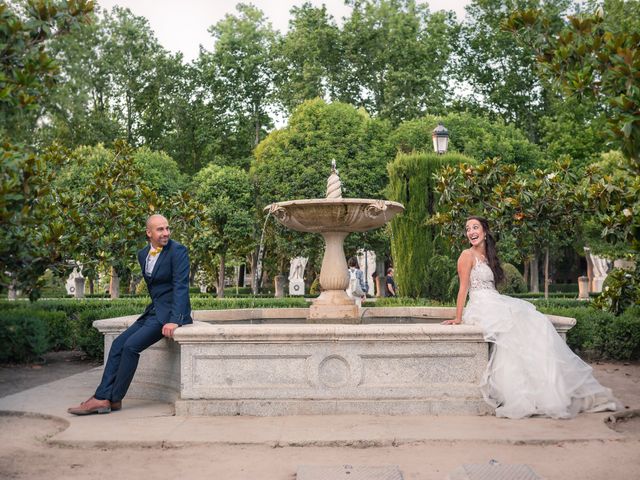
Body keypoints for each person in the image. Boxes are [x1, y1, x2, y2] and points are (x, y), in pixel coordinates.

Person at [442, 216, 620, 419]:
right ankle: (520, 394)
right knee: (514, 326)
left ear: (485, 231)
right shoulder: (466, 255)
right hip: (481, 305)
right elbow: (463, 288)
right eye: (468, 229)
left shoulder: (489, 257)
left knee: (536, 321)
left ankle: (544, 389)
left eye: (475, 227)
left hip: (495, 301)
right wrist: (458, 318)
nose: (471, 232)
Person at [68, 214, 192, 415]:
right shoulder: (143, 254)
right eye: (160, 229)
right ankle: (108, 398)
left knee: (131, 347)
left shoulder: (178, 251)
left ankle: (108, 398)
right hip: (153, 311)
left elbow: (181, 287)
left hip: (169, 315)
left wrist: (174, 320)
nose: (166, 233)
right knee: (118, 345)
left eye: (167, 228)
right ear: (148, 232)